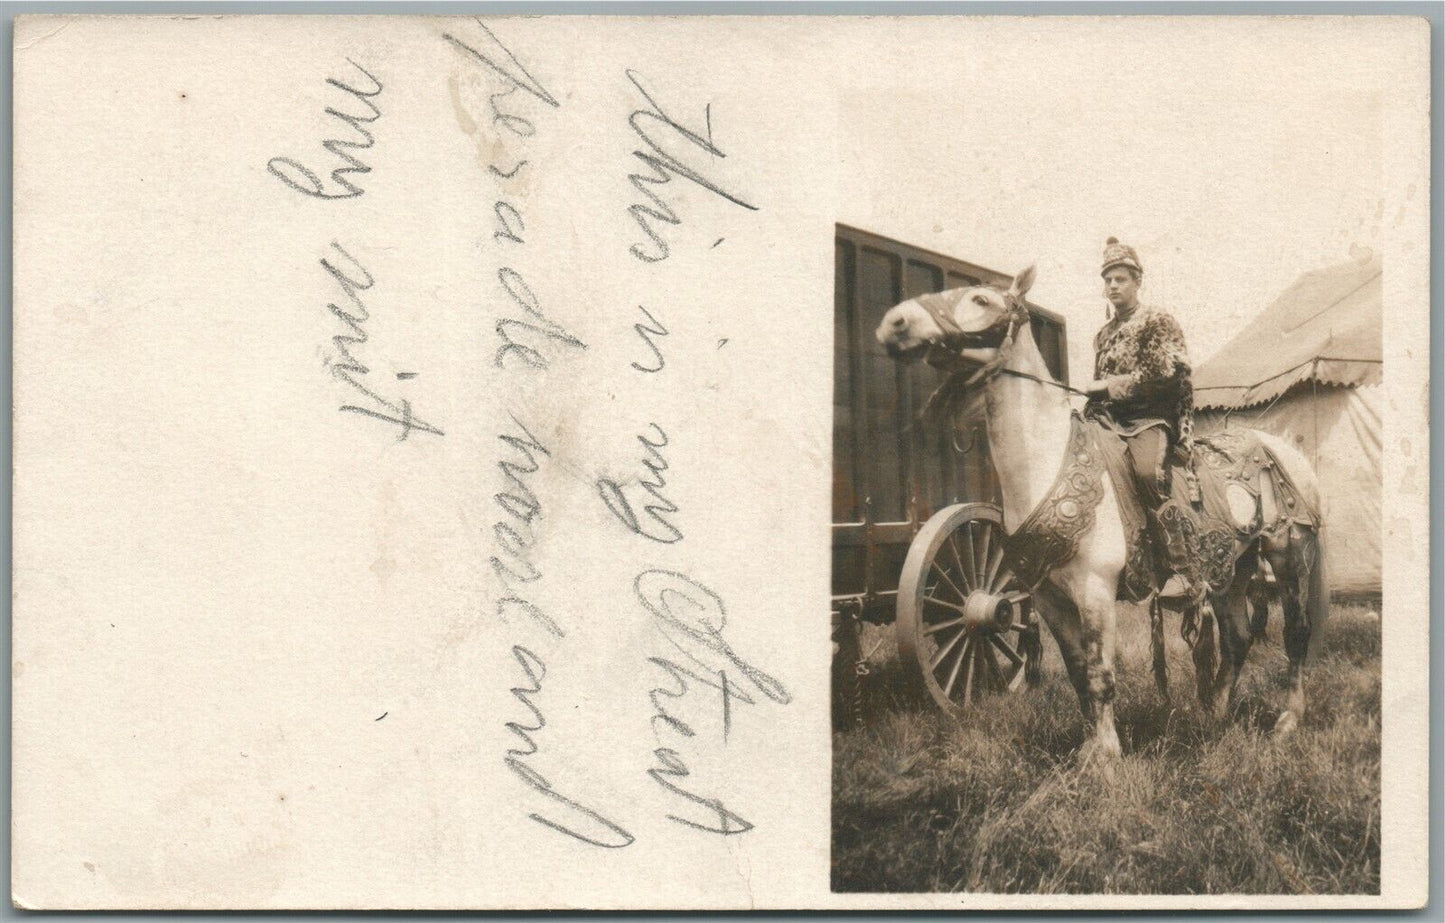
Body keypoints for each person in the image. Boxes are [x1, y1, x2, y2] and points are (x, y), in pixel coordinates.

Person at [1082, 237, 1201, 603]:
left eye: (1120, 279)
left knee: (1149, 474)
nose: (1113, 286)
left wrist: (1109, 386)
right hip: (1109, 422)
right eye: (1108, 280)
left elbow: (1166, 377)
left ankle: (1182, 571)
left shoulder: (1157, 321)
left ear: (1137, 282)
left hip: (1150, 420)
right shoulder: (1103, 334)